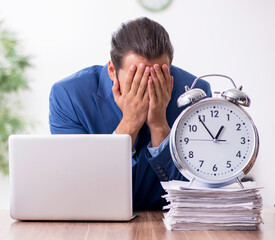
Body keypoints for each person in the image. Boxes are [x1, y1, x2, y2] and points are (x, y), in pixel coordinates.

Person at [49, 17, 212, 210]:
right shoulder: (69, 96)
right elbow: (80, 185)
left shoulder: (195, 93)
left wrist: (160, 126)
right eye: (136, 78)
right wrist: (130, 123)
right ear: (112, 70)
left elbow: (195, 193)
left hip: (166, 220)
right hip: (97, 220)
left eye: (157, 77)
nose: (147, 87)